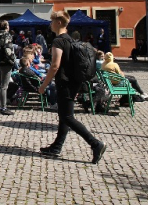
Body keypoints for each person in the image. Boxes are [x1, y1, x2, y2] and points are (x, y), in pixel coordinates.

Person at [39, 11, 106, 164]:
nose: (50, 24)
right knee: (64, 116)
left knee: (67, 117)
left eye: (52, 21)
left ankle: (95, 144)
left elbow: (55, 65)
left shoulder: (58, 41)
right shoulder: (70, 40)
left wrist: (44, 85)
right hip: (74, 82)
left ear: (59, 23)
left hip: (65, 82)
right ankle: (56, 146)